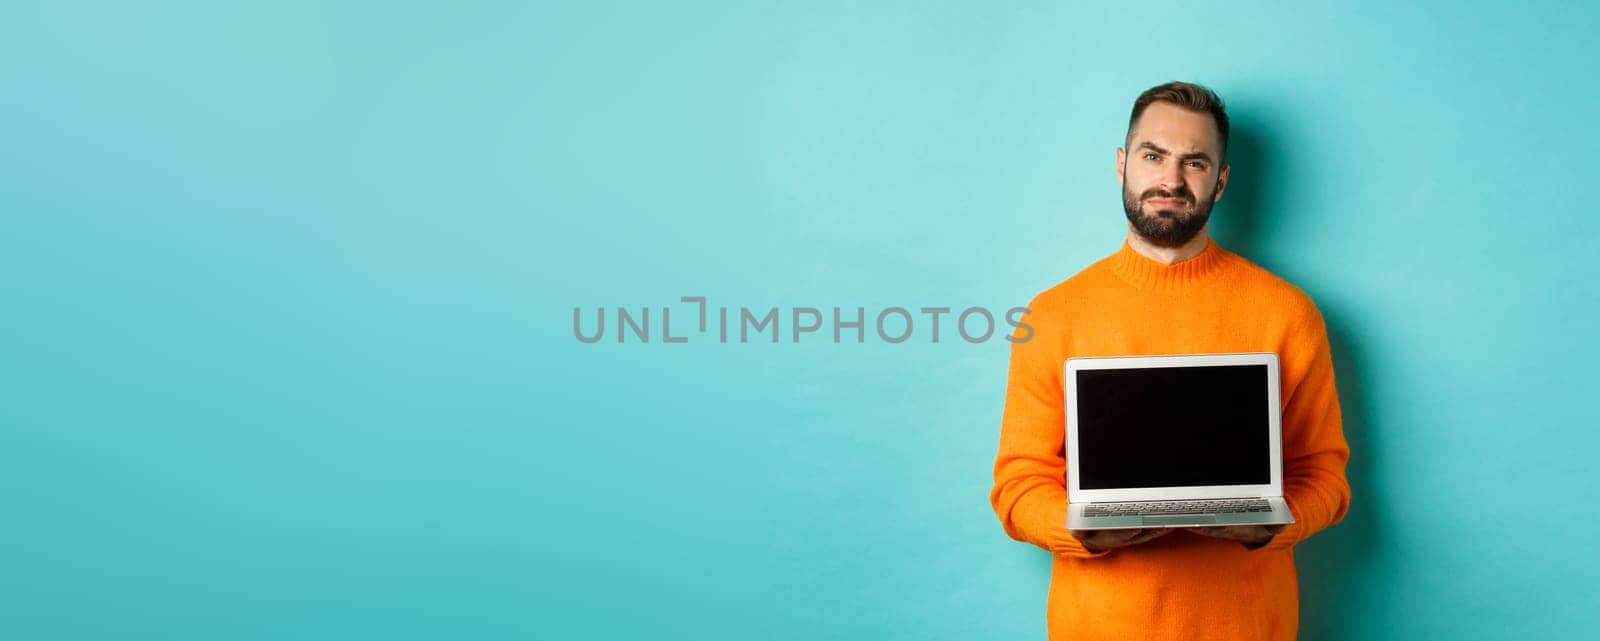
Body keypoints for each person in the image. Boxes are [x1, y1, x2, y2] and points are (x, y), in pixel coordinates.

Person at [988, 81, 1352, 640]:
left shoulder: (1287, 313)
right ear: (1122, 164)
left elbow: (1325, 477)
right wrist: (1082, 530)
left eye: (1195, 162)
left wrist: (1267, 527)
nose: (1171, 180)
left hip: (1248, 627)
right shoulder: (1054, 315)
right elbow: (1018, 483)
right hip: (1098, 628)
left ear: (1222, 181)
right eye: (1153, 156)